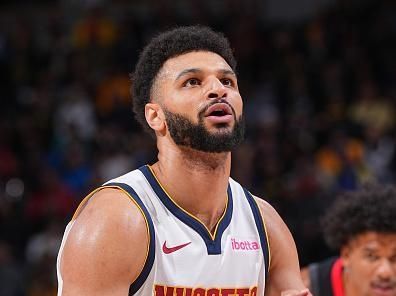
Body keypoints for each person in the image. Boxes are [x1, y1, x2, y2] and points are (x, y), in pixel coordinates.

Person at [57, 25, 310, 296]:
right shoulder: (115, 222)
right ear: (156, 116)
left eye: (227, 81)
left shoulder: (266, 225)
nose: (217, 89)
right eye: (192, 82)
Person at [301, 184, 396, 296]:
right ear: (346, 255)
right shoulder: (305, 288)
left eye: (394, 258)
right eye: (372, 257)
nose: (385, 273)